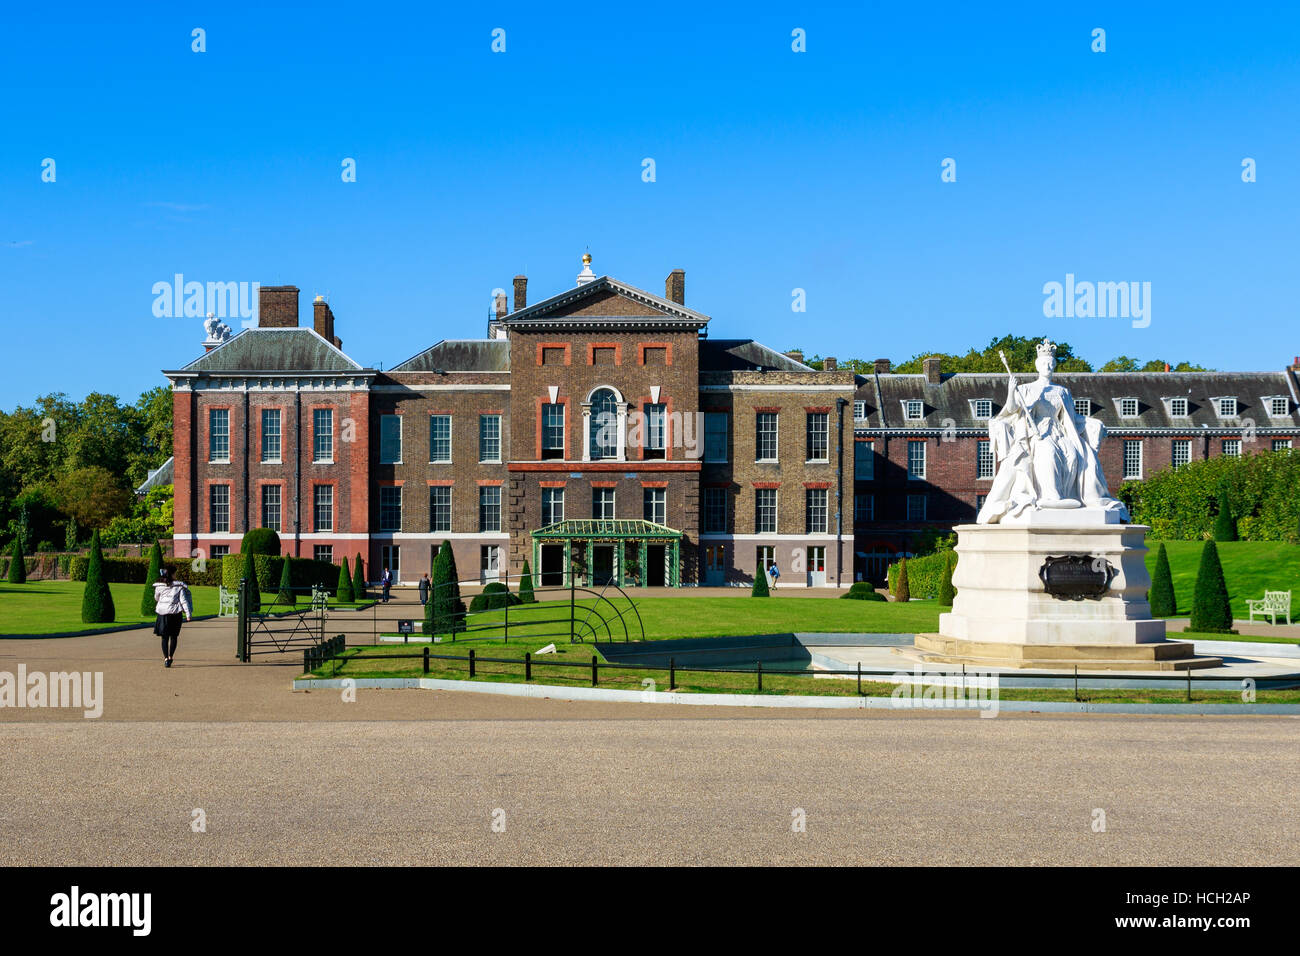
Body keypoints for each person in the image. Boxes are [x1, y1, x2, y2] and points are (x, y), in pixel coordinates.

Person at [978, 339, 1128, 524]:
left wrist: (1092, 423)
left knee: (1074, 455)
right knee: (1047, 453)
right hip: (1036, 433)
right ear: (1037, 366)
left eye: (1051, 363)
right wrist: (1011, 391)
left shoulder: (1062, 391)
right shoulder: (1025, 388)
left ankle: (1071, 496)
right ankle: (1051, 496)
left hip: (1059, 431)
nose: (1048, 366)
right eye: (1044, 363)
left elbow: (1072, 418)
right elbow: (1011, 409)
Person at [153, 566, 193, 668]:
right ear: (171, 574)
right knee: (174, 636)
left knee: (164, 637)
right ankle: (171, 656)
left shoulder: (159, 586)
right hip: (175, 614)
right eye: (175, 573)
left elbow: (156, 598)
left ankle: (166, 658)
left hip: (163, 614)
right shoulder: (179, 586)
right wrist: (188, 614)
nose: (176, 575)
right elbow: (183, 601)